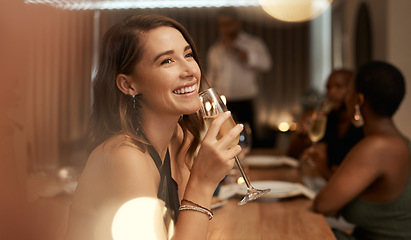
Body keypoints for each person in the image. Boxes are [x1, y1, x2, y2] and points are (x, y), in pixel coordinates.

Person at [65, 13, 243, 240]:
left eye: (188, 55)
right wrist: (203, 183)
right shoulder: (125, 156)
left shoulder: (180, 138)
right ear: (128, 84)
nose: (190, 70)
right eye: (167, 61)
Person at [313, 61, 411, 240]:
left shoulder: (376, 147)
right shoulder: (402, 142)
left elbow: (323, 205)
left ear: (359, 100)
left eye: (348, 93)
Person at [206, 7, 272, 145]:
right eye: (221, 25)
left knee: (248, 136)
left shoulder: (253, 43)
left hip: (245, 100)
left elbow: (266, 64)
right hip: (224, 102)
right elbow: (211, 77)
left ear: (237, 23)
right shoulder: (215, 50)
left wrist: (238, 50)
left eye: (228, 24)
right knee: (225, 139)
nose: (225, 28)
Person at [301, 69, 364, 179]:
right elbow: (293, 155)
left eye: (339, 87)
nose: (331, 93)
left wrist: (325, 170)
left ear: (355, 91)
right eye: (328, 88)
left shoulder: (363, 125)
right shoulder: (328, 119)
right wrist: (302, 132)